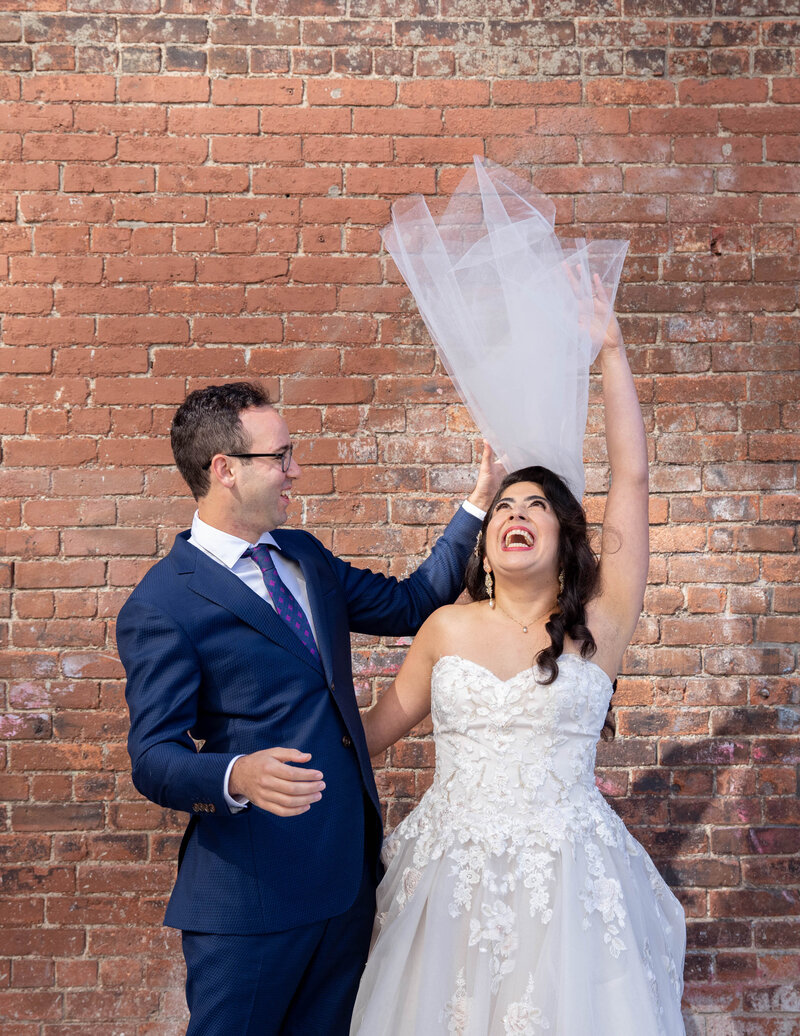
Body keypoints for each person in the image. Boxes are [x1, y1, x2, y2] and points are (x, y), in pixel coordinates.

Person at [115, 380, 502, 1035]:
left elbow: (414, 603)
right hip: (249, 900)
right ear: (226, 470)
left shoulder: (306, 558)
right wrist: (235, 775)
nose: (295, 470)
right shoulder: (162, 605)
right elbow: (154, 757)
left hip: (344, 885)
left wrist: (480, 499)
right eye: (281, 456)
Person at [350, 310, 686, 1035]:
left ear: (566, 539)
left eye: (537, 505)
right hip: (451, 884)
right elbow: (368, 732)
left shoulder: (601, 625)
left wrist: (613, 352)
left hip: (567, 886)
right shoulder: (445, 627)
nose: (516, 513)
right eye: (505, 504)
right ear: (489, 536)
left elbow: (633, 475)